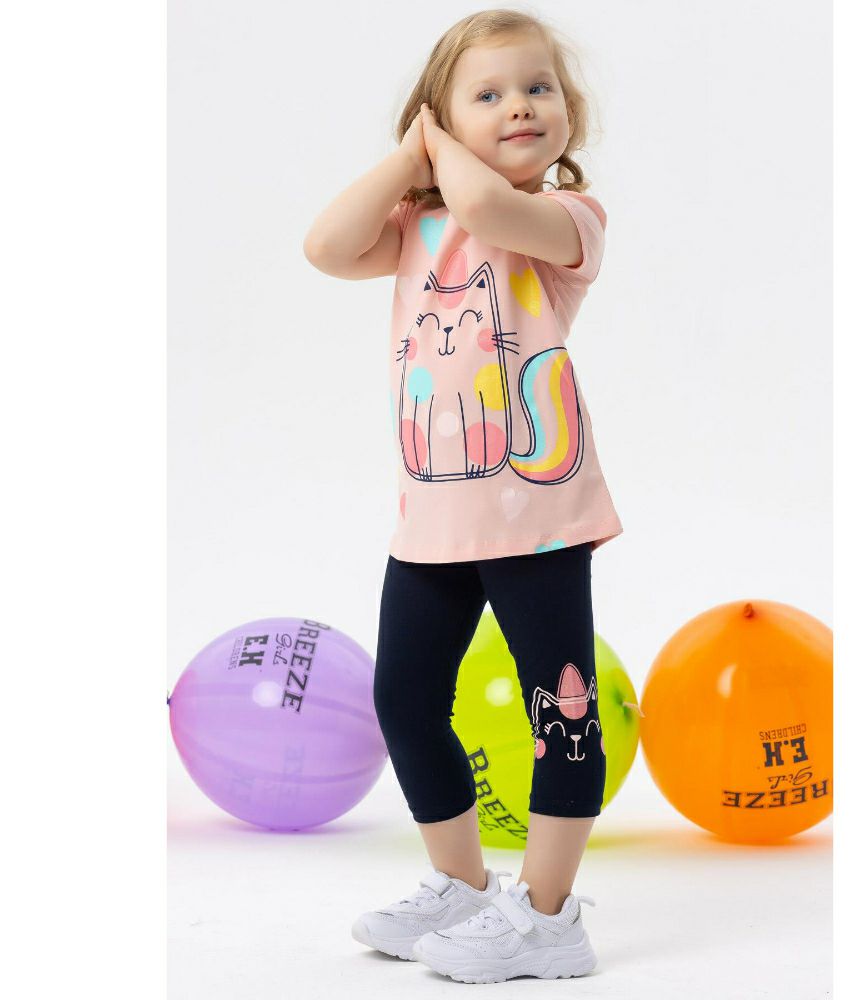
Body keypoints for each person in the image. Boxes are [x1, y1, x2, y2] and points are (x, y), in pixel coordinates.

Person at [303, 8, 623, 984]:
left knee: (559, 711)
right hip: (433, 521)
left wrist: (444, 145)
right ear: (438, 120)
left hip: (539, 521)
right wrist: (412, 158)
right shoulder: (418, 228)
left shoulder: (567, 219)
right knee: (404, 698)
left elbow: (485, 204)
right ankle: (462, 886)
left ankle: (550, 915)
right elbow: (325, 245)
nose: (520, 105)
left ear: (568, 112)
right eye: (488, 94)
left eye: (538, 88)